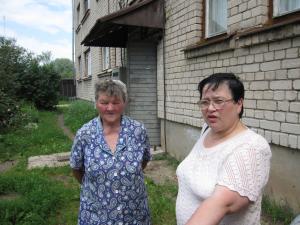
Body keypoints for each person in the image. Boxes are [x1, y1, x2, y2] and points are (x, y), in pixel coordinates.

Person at [176, 73, 272, 225]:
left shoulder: (252, 147)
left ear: (239, 103)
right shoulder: (207, 130)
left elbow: (221, 203)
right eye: (205, 102)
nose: (210, 108)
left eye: (219, 101)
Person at [70, 79, 151, 225]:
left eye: (116, 102)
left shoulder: (138, 131)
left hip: (133, 213)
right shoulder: (85, 134)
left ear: (124, 103)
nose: (110, 108)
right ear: (96, 103)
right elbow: (76, 169)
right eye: (104, 102)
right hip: (96, 215)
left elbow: (143, 161)